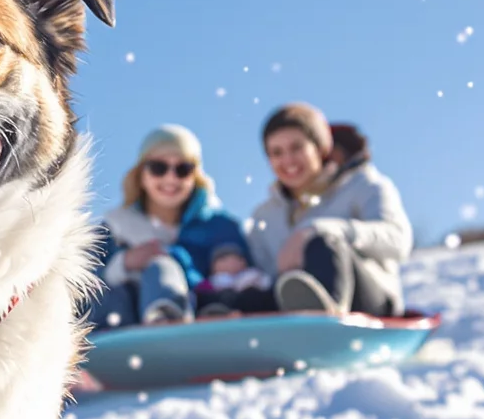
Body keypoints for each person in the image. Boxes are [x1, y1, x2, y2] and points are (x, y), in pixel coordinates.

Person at [241, 102, 412, 317]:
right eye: (276, 152)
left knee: (323, 245)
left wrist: (319, 230)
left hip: (370, 305)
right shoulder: (263, 216)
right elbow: (264, 271)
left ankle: (325, 316)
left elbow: (399, 241)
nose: (288, 160)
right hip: (290, 312)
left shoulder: (364, 185)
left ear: (320, 149)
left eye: (297, 148)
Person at [89, 125, 259, 327]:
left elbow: (247, 271)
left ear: (195, 177)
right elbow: (78, 285)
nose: (170, 178)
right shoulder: (114, 230)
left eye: (182, 169)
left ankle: (172, 319)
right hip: (123, 323)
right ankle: (161, 317)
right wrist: (124, 263)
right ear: (141, 175)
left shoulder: (221, 227)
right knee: (155, 269)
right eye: (158, 168)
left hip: (207, 324)